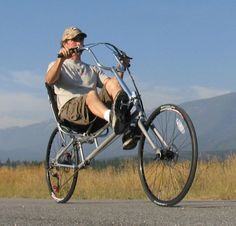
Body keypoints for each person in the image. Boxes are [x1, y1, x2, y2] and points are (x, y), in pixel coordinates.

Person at [45, 26, 138, 149]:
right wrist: (60, 60)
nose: (79, 43)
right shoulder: (57, 65)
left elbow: (112, 84)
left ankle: (124, 123)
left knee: (112, 83)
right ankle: (112, 117)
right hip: (70, 113)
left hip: (94, 111)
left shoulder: (92, 69)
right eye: (75, 39)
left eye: (81, 39)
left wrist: (121, 67)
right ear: (65, 44)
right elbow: (49, 80)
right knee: (91, 94)